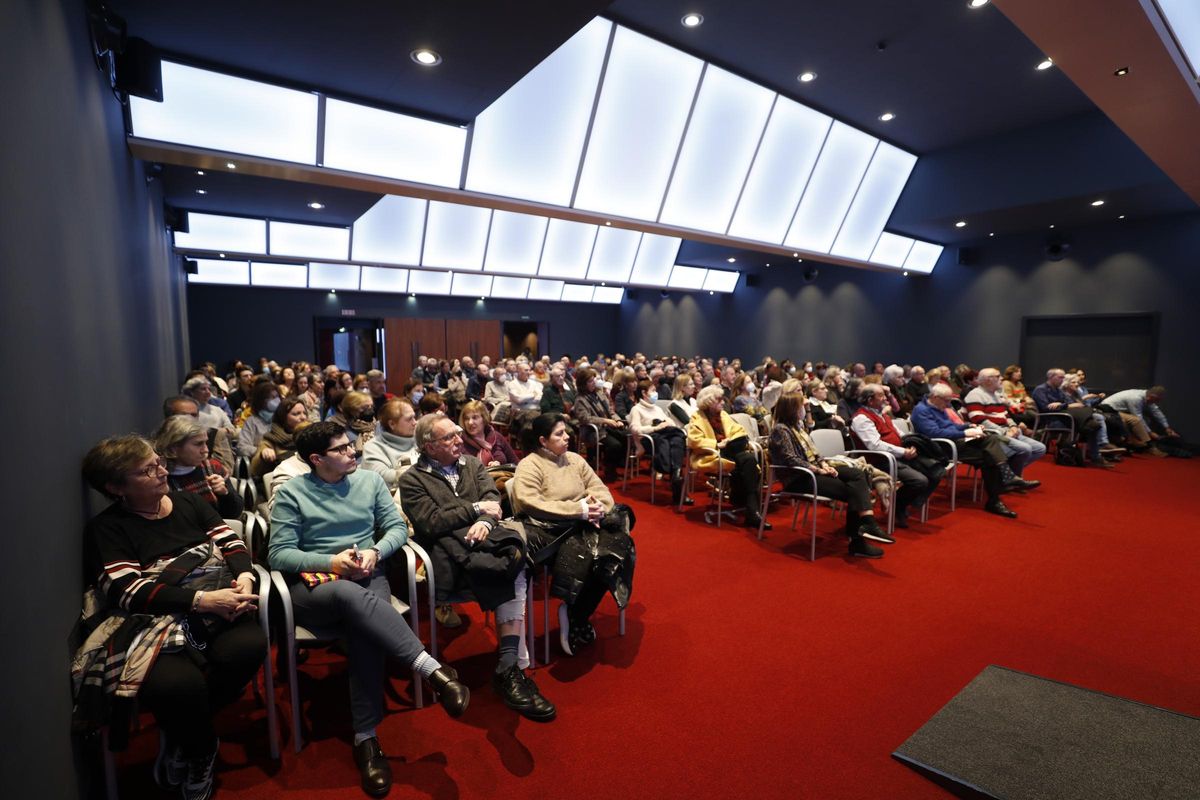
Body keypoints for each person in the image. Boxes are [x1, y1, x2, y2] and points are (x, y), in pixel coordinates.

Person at [268, 422, 469, 797]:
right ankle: (433, 670)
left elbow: (395, 527)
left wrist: (376, 552)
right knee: (351, 598)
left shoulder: (369, 482)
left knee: (365, 627)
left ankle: (366, 738)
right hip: (316, 588)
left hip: (366, 572)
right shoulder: (293, 493)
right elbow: (278, 553)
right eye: (342, 449)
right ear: (317, 459)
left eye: (352, 446)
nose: (353, 453)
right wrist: (332, 561)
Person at [79, 436, 265, 800]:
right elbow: (128, 591)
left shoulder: (188, 501)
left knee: (248, 648)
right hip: (157, 621)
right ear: (117, 487)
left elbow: (231, 544)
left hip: (223, 602)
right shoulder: (107, 528)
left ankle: (182, 735)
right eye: (147, 470)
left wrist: (245, 577)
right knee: (178, 686)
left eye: (158, 462)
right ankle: (200, 748)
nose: (162, 471)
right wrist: (202, 599)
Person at [398, 415, 555, 721]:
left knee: (515, 562)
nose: (459, 440)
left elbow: (492, 498)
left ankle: (508, 664)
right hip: (446, 554)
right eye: (449, 438)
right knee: (509, 567)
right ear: (429, 446)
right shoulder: (412, 479)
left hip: (486, 539)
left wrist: (484, 519)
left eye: (458, 434)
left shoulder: (471, 464)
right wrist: (474, 510)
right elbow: (430, 523)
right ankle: (513, 668)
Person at [511, 414, 636, 656]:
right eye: (559, 434)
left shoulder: (575, 460)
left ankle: (576, 612)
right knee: (595, 553)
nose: (567, 436)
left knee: (617, 553)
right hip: (550, 530)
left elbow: (599, 488)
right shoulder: (530, 464)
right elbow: (530, 503)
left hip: (586, 522)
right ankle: (575, 611)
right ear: (543, 441)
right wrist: (578, 510)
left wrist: (599, 508)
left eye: (565, 431)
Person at [768, 392, 889, 556]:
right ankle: (858, 541)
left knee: (857, 474)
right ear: (791, 409)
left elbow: (815, 453)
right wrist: (818, 469)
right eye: (801, 407)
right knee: (853, 490)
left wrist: (824, 464)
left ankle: (867, 522)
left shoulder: (798, 426)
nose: (804, 409)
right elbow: (791, 459)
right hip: (799, 477)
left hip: (813, 470)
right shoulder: (780, 429)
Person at [912, 384, 1034, 518]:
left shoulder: (938, 406)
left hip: (955, 443)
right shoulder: (921, 410)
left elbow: (951, 426)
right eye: (947, 400)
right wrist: (965, 433)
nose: (948, 404)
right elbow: (933, 433)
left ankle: (1000, 489)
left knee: (990, 444)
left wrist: (969, 425)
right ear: (935, 397)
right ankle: (1003, 485)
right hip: (941, 447)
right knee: (990, 455)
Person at [850, 384, 942, 528]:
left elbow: (899, 434)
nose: (886, 398)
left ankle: (901, 504)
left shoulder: (882, 414)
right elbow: (874, 446)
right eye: (881, 395)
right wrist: (903, 451)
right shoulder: (862, 418)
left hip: (898, 456)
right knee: (920, 481)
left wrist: (911, 445)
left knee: (937, 471)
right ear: (870, 400)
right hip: (880, 461)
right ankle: (898, 506)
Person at [686, 384, 768, 529]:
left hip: (730, 451)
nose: (723, 402)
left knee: (748, 458)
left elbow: (739, 430)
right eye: (719, 400)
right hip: (712, 454)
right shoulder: (697, 417)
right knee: (748, 461)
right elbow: (693, 441)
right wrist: (717, 444)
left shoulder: (723, 415)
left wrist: (729, 441)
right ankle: (752, 510)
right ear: (709, 402)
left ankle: (751, 509)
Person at [154, 414, 245, 519]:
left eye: (206, 443)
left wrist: (224, 493)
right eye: (198, 444)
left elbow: (235, 513)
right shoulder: (159, 478)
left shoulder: (213, 467)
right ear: (174, 448)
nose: (205, 450)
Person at [963, 368, 1049, 477]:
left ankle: (1008, 475)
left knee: (1040, 448)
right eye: (998, 376)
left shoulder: (996, 395)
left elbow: (1006, 415)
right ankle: (1010, 477)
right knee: (1025, 449)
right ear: (988, 380)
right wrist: (1004, 431)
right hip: (991, 435)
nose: (1002, 378)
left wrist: (1013, 426)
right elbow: (979, 420)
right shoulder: (975, 395)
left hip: (1005, 432)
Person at [628, 379, 690, 505]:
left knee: (677, 438)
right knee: (671, 440)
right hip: (650, 439)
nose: (656, 393)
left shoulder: (657, 409)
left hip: (667, 435)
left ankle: (676, 475)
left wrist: (665, 424)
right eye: (653, 391)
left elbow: (670, 422)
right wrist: (655, 427)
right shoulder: (636, 409)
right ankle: (677, 480)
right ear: (644, 393)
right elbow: (635, 429)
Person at [1031, 368, 1108, 467]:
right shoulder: (1040, 390)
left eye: (1063, 377)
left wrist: (1061, 405)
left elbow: (1068, 404)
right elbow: (1047, 408)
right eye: (1060, 377)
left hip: (1065, 417)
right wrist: (1062, 405)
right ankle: (1098, 451)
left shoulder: (1059, 391)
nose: (1062, 380)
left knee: (1093, 423)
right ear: (1051, 377)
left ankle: (1096, 454)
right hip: (1052, 420)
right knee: (1091, 423)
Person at [571, 367, 627, 480]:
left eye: (594, 379)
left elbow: (611, 411)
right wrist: (605, 421)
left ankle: (614, 465)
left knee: (626, 437)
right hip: (592, 430)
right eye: (590, 381)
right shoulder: (580, 399)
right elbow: (585, 419)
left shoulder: (599, 393)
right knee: (615, 445)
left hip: (607, 427)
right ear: (583, 384)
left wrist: (617, 420)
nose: (594, 383)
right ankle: (609, 471)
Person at [163, 395, 236, 475]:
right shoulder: (157, 449)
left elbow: (226, 471)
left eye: (194, 415)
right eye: (184, 416)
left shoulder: (214, 435)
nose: (190, 419)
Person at [361, 398, 420, 491]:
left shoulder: (420, 440)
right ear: (392, 424)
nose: (415, 422)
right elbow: (379, 477)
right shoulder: (373, 447)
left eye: (414, 417)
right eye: (409, 419)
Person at [1100, 386, 1177, 456]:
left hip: (1117, 412)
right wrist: (1150, 433)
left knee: (1136, 420)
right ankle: (1149, 446)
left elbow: (1156, 412)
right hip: (1107, 411)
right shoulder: (1136, 398)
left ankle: (1141, 444)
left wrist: (1167, 427)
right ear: (1152, 396)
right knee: (1135, 420)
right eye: (1157, 400)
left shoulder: (1147, 396)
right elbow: (1138, 417)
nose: (1157, 402)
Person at [250, 396, 309, 479]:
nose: (303, 417)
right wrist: (263, 455)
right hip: (285, 480)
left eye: (304, 413)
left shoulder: (312, 435)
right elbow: (254, 470)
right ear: (283, 417)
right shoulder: (271, 439)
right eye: (296, 414)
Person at [460, 400, 518, 466]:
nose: (470, 422)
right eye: (466, 418)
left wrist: (500, 467)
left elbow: (516, 463)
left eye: (475, 418)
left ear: (484, 418)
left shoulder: (497, 437)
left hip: (503, 475)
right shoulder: (460, 442)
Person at [237, 381, 281, 460]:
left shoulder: (283, 418)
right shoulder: (252, 421)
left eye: (277, 396)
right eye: (272, 398)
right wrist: (262, 451)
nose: (277, 400)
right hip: (263, 462)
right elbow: (242, 447)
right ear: (262, 401)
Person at [329, 390, 377, 459]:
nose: (370, 410)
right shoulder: (343, 434)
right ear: (352, 410)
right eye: (365, 407)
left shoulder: (380, 427)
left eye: (371, 406)